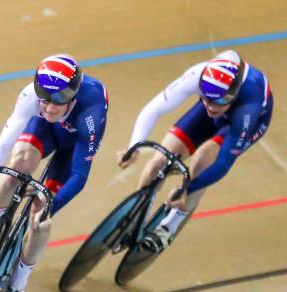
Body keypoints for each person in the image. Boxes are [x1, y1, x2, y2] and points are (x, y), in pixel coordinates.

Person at [0, 54, 108, 292]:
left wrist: (49, 207)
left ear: (74, 94)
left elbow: (79, 174)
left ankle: (16, 289)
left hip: (73, 145)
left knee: (39, 219)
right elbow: (4, 142)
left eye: (59, 99)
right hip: (44, 131)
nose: (51, 106)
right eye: (45, 96)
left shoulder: (91, 111)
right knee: (16, 165)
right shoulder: (32, 97)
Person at [117, 50, 272, 253]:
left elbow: (223, 164)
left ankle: (168, 228)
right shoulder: (199, 76)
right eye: (205, 99)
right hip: (223, 108)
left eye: (215, 102)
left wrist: (186, 189)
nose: (208, 106)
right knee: (157, 163)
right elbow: (154, 109)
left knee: (201, 161)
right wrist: (134, 146)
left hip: (246, 124)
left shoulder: (248, 107)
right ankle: (136, 218)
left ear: (231, 96)